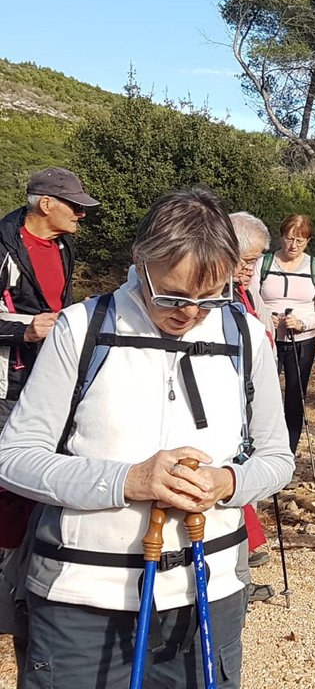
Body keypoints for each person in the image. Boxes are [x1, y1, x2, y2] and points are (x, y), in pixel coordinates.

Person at [0, 187, 294, 689]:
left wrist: (226, 482)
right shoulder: (80, 328)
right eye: (173, 295)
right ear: (141, 260)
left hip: (209, 593)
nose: (191, 313)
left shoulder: (244, 334)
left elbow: (276, 458)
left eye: (210, 298)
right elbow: (13, 458)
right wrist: (129, 480)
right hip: (84, 602)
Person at [0, 166, 99, 677]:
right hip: (9, 380)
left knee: (37, 477)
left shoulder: (61, 246)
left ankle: (21, 584)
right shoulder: (3, 245)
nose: (82, 213)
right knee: (7, 474)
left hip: (50, 376)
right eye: (74, 205)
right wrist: (24, 330)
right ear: (45, 205)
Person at [259, 215, 315, 454]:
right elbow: (250, 298)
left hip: (302, 340)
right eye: (289, 239)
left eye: (300, 241)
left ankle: (288, 450)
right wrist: (264, 317)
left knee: (295, 394)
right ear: (281, 236)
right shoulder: (264, 263)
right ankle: (261, 445)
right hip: (266, 338)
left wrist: (302, 323)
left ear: (308, 241)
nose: (293, 246)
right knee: (261, 392)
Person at [229, 212, 275, 575]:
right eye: (247, 261)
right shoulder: (215, 294)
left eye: (256, 261)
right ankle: (238, 559)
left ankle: (245, 552)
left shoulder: (245, 291)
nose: (250, 269)